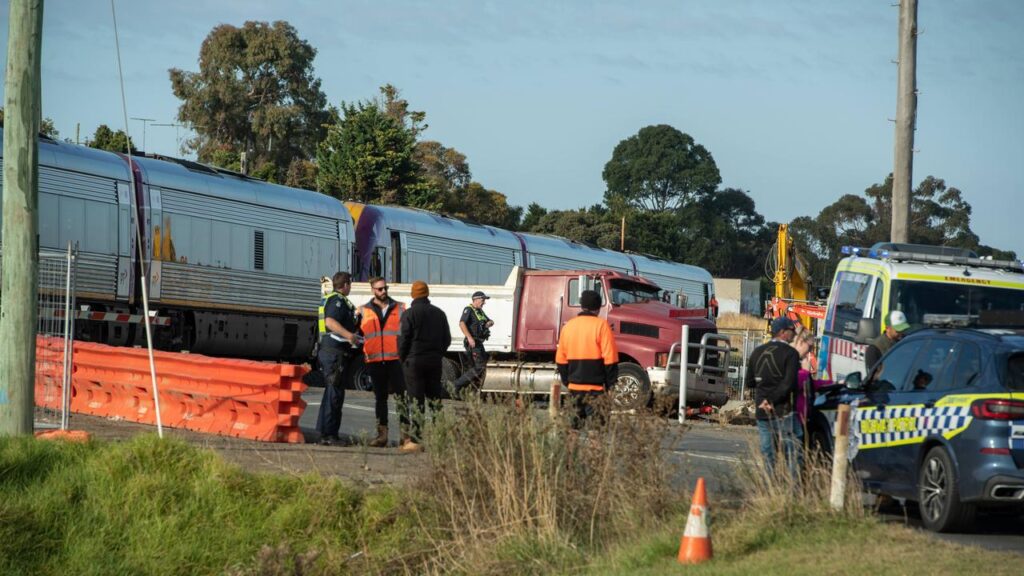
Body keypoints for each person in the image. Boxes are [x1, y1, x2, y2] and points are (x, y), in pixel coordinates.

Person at [398, 280, 452, 452]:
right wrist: (437, 353)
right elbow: (447, 339)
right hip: (434, 361)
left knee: (416, 400)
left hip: (413, 362)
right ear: (427, 294)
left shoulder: (409, 314)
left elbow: (403, 339)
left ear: (413, 295)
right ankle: (440, 434)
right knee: (435, 399)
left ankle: (417, 438)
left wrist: (402, 358)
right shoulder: (440, 314)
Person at [745, 316, 802, 476]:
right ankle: (794, 490)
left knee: (768, 453)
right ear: (783, 332)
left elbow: (749, 382)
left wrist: (765, 396)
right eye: (792, 330)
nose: (795, 334)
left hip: (762, 411)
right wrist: (772, 400)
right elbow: (789, 384)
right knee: (793, 453)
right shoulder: (790, 354)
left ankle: (769, 486)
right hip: (783, 411)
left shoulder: (757, 352)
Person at [555, 289, 619, 429]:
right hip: (596, 389)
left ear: (581, 305)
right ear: (598, 307)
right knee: (598, 431)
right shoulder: (602, 326)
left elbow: (560, 359)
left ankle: (571, 451)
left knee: (573, 429)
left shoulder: (569, 326)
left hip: (574, 388)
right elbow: (610, 358)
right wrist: (610, 385)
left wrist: (568, 381)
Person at [359, 277, 407, 448]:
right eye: (379, 289)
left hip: (395, 360)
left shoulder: (400, 308)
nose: (383, 291)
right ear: (372, 290)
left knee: (402, 398)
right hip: (375, 361)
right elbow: (357, 334)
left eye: (385, 288)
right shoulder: (363, 311)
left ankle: (405, 436)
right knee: (380, 399)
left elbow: (406, 334)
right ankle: (382, 436)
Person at [314, 272, 360, 446]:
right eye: (350, 284)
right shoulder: (338, 301)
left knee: (331, 392)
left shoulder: (331, 298)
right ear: (346, 285)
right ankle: (329, 436)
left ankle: (324, 433)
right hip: (334, 352)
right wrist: (350, 335)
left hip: (330, 351)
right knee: (335, 394)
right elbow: (330, 322)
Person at [452, 291, 494, 394]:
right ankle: (456, 385)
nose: (484, 302)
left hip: (479, 342)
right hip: (473, 342)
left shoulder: (480, 311)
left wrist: (488, 323)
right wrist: (469, 338)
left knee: (478, 367)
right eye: (482, 300)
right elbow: (462, 323)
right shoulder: (469, 310)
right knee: (479, 367)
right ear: (476, 300)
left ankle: (467, 391)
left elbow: (490, 321)